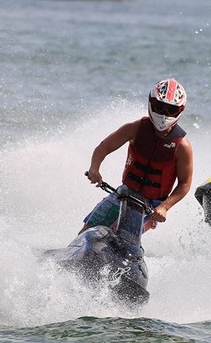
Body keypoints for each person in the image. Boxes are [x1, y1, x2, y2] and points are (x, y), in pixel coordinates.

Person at [82, 78, 194, 233]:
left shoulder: (182, 146)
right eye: (160, 107)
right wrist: (94, 169)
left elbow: (185, 184)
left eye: (171, 110)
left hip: (151, 207)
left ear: (179, 110)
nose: (164, 114)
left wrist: (165, 207)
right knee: (87, 231)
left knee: (122, 236)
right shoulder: (135, 129)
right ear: (151, 103)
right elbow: (104, 147)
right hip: (124, 194)